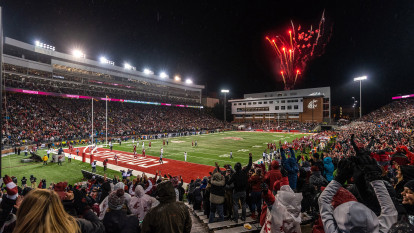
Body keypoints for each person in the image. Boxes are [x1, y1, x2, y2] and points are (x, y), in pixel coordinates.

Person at [318, 158, 398, 233]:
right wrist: (375, 178)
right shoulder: (381, 230)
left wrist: (340, 178)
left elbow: (323, 200)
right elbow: (389, 209)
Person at [12, 189, 105, 233]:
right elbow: (99, 226)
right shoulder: (73, 225)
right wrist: (84, 206)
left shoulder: (16, 227)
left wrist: (21, 214)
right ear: (57, 206)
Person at [227, 153, 252, 223]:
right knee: (243, 204)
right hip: (243, 191)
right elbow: (249, 165)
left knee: (235, 204)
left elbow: (229, 182)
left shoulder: (234, 175)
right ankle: (243, 218)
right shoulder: (244, 172)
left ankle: (236, 218)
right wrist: (250, 157)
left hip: (236, 191)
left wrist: (227, 177)